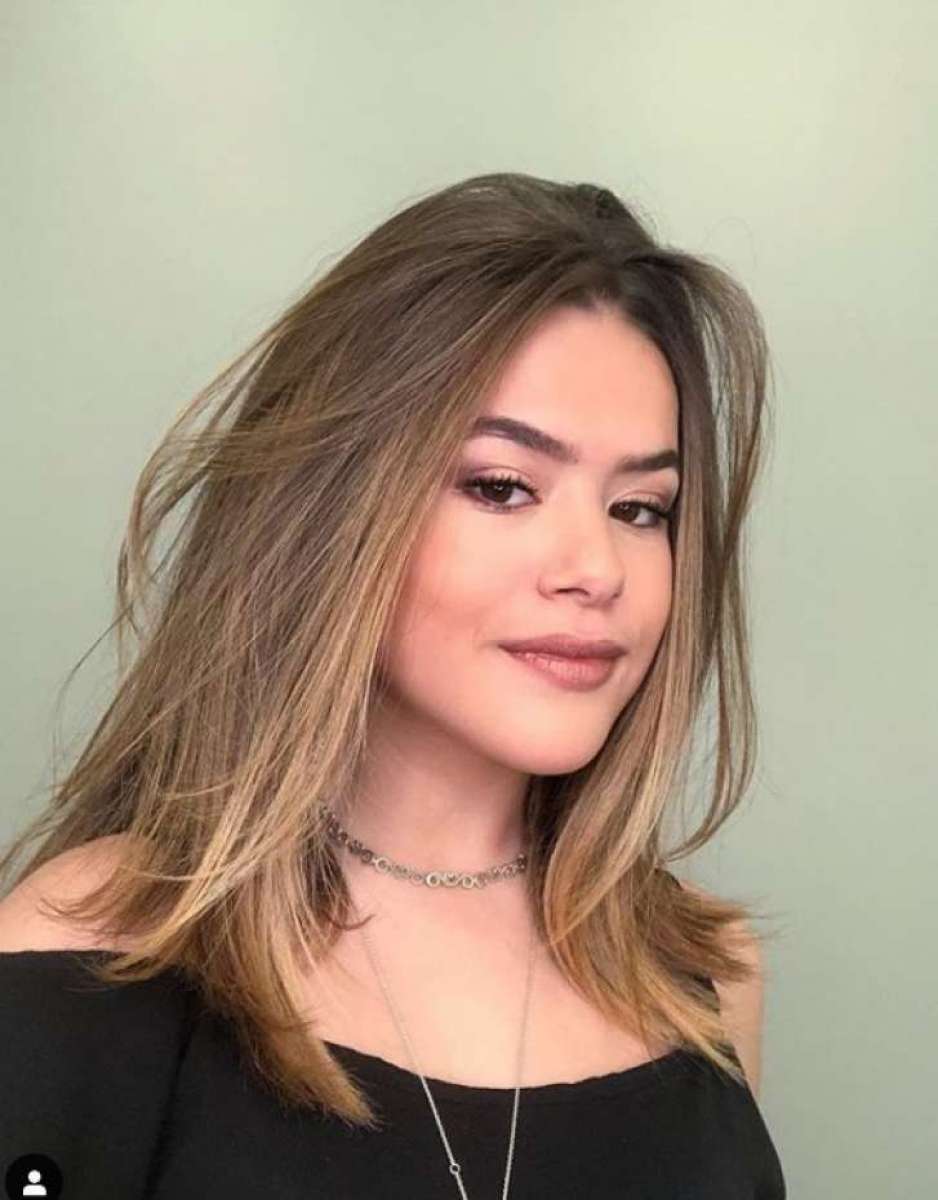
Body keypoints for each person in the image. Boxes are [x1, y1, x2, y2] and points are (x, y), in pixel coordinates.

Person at [0, 172, 786, 1198]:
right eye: (501, 487)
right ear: (332, 511)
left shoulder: (703, 976)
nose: (596, 569)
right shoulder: (91, 953)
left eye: (641, 508)